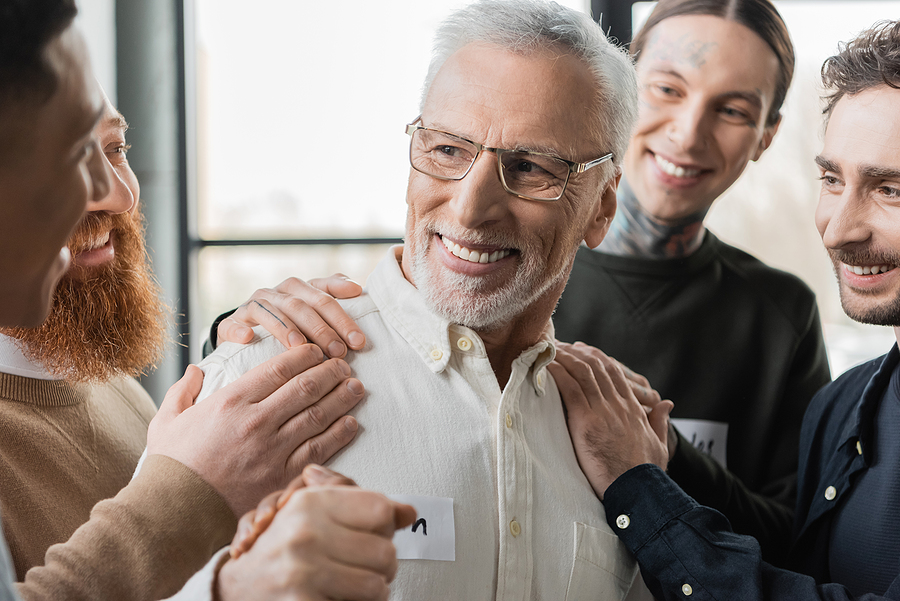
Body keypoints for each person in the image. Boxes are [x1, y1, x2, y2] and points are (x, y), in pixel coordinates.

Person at [170, 0, 653, 598]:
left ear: (602, 206)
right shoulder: (257, 382)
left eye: (529, 167)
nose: (470, 208)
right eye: (448, 150)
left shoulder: (621, 446)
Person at [0, 2, 408, 600]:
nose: (117, 195)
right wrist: (192, 493)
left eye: (114, 148)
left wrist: (235, 366)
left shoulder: (105, 382)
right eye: (65, 155)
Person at [553, 18, 900, 600]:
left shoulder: (781, 318)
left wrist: (647, 462)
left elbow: (783, 560)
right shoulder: (845, 408)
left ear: (766, 135)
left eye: (892, 189)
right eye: (831, 178)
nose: (688, 135)